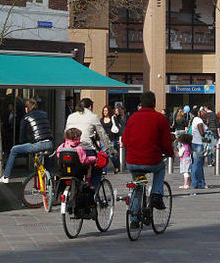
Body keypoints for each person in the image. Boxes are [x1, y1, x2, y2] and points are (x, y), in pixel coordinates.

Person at [122, 91, 174, 226]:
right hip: (152, 160)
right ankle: (156, 194)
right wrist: (169, 153)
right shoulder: (160, 118)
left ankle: (133, 218)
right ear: (154, 103)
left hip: (133, 161)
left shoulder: (132, 118)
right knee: (160, 169)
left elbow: (125, 140)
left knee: (137, 185)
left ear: (140, 104)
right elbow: (166, 142)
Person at [0, 98, 54, 182]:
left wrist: (26, 142)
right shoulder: (44, 114)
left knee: (14, 150)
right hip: (49, 143)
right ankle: (49, 177)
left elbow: (22, 138)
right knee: (45, 154)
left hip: (37, 145)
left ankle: (6, 177)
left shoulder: (25, 117)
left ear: (26, 108)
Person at [64, 98, 112, 190]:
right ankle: (92, 194)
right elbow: (103, 135)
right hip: (86, 150)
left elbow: (65, 133)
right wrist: (110, 149)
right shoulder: (93, 117)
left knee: (76, 173)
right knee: (96, 171)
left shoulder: (71, 116)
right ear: (90, 107)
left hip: (71, 151)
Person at [190, 107, 208, 188]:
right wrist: (207, 133)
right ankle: (199, 183)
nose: (204, 113)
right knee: (198, 165)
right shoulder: (199, 120)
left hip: (195, 143)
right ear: (199, 112)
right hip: (199, 144)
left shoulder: (195, 119)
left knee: (196, 164)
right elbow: (202, 133)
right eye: (203, 111)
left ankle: (196, 183)